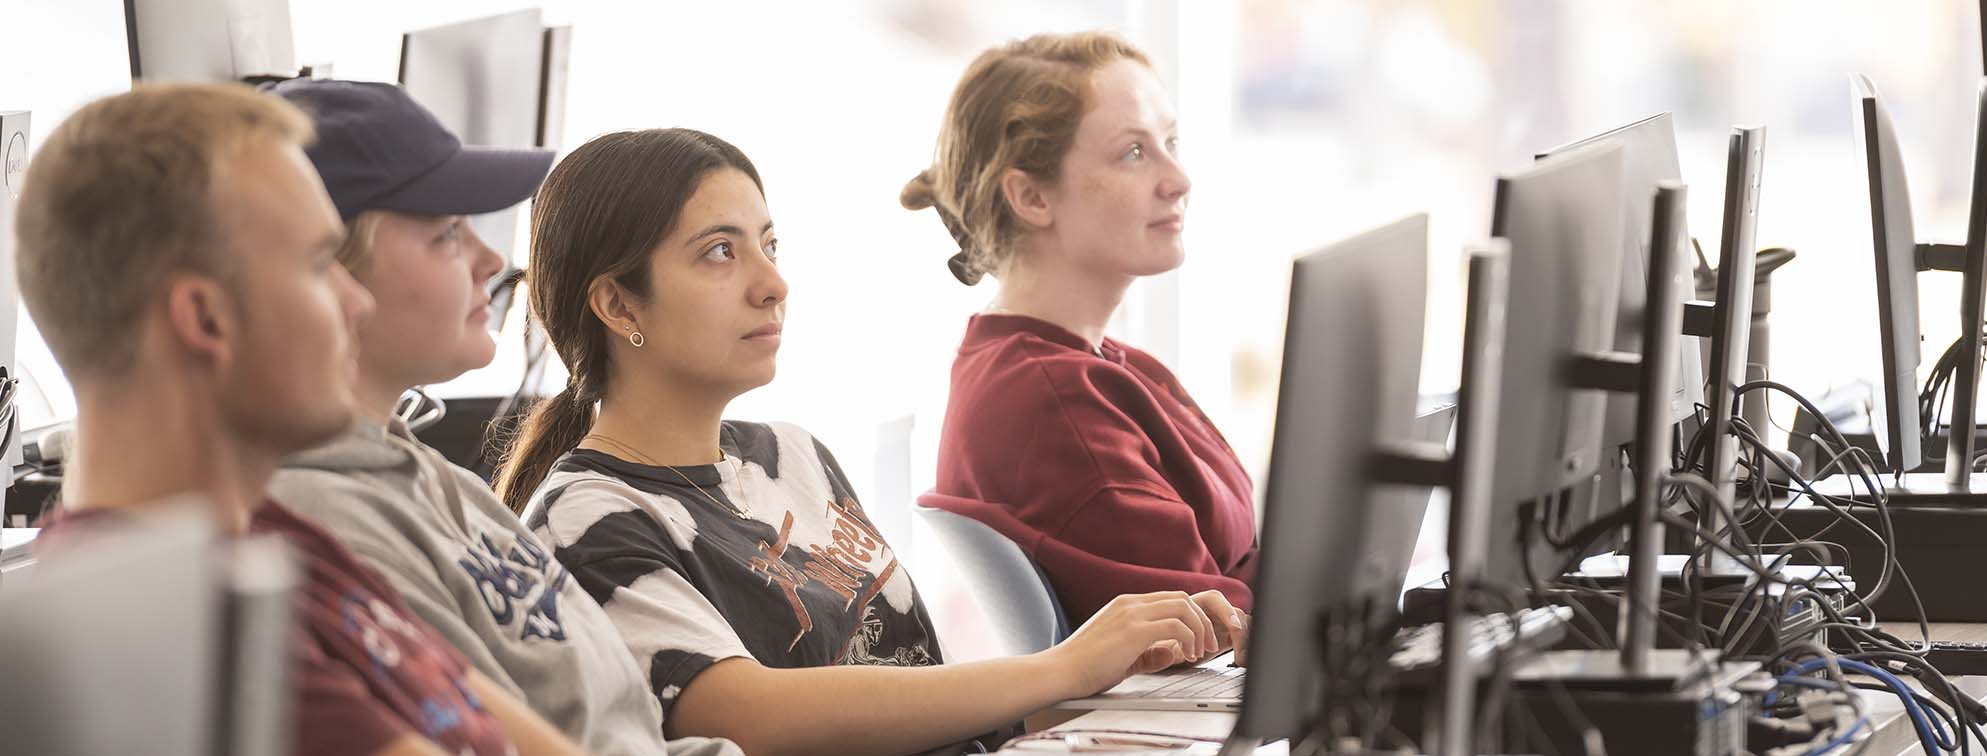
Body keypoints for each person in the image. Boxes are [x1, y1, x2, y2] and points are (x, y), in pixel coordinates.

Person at [492, 127, 1244, 756]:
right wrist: (1062, 667)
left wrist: (1107, 694)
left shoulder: (792, 454)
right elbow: (744, 713)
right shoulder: (585, 518)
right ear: (618, 303)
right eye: (721, 252)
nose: (772, 284)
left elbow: (911, 687)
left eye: (770, 244)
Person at [15, 82, 581, 756]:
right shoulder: (192, 629)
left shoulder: (273, 541)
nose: (356, 301)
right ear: (205, 319)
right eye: (319, 264)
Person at [259, 79, 740, 756]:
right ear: (328, 271)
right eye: (446, 234)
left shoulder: (426, 477)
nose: (491, 260)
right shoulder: (320, 520)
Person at [902, 31, 1258, 625]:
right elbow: (1221, 629)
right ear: (1031, 196)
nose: (1178, 179)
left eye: (1170, 142)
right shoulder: (1053, 404)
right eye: (1134, 154)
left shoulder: (1096, 366)